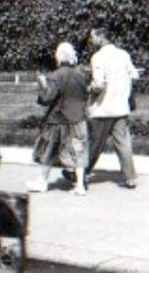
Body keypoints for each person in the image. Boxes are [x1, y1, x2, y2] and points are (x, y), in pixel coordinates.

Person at [28, 41, 88, 195]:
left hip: (58, 119)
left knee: (49, 150)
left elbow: (47, 99)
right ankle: (80, 185)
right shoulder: (81, 74)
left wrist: (42, 84)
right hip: (78, 118)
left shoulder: (55, 76)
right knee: (79, 151)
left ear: (59, 58)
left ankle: (42, 181)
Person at [84, 27, 138, 189]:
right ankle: (130, 177)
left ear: (101, 39)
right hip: (120, 106)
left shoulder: (98, 57)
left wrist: (88, 89)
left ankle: (80, 172)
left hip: (103, 108)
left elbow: (99, 84)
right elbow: (134, 74)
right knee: (123, 142)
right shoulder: (124, 55)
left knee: (94, 143)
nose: (91, 40)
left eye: (93, 37)